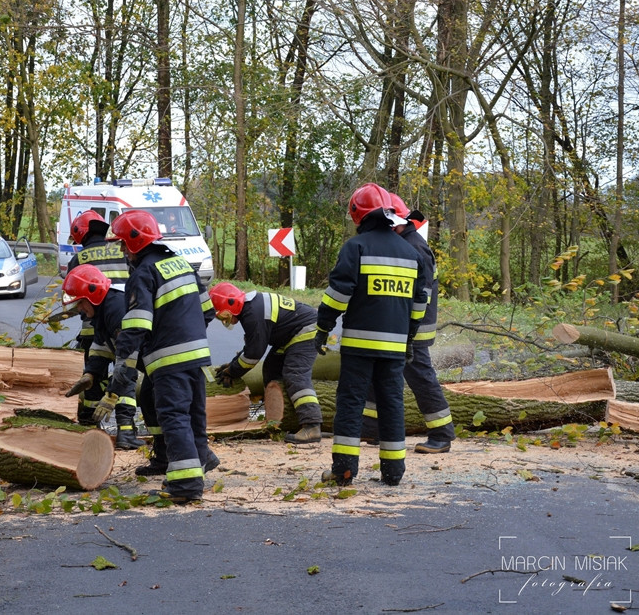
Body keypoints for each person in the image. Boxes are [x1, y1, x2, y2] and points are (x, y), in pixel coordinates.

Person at [314, 183, 428, 486]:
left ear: (357, 214)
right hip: (394, 348)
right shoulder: (409, 251)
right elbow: (419, 304)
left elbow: (338, 294)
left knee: (351, 404)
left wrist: (323, 327)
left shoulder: (357, 247)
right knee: (392, 404)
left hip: (358, 347)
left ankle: (345, 469)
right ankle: (393, 472)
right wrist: (410, 339)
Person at [107, 209, 217, 503]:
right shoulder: (181, 264)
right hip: (197, 355)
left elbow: (138, 324)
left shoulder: (143, 273)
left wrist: (123, 360)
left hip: (169, 361)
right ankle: (200, 462)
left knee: (174, 417)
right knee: (194, 416)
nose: (120, 250)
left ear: (133, 242)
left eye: (121, 244)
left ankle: (185, 486)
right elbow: (208, 310)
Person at [362, 194, 455, 454]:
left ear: (396, 221)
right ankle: (372, 429)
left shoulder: (415, 247)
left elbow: (419, 296)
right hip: (398, 323)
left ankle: (441, 434)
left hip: (414, 326)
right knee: (376, 370)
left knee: (420, 376)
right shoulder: (403, 243)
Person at [210, 283, 324, 444]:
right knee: (271, 368)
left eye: (223, 315)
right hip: (288, 335)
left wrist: (232, 371)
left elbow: (253, 355)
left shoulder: (252, 314)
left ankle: (312, 425)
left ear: (231, 304)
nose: (224, 319)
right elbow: (252, 345)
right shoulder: (250, 308)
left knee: (295, 374)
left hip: (306, 330)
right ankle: (281, 420)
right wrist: (233, 364)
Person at [64, 210, 136, 443]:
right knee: (110, 370)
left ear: (79, 234)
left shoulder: (80, 258)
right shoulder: (122, 250)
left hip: (106, 322)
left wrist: (112, 394)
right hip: (121, 316)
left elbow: (75, 295)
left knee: (119, 369)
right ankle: (122, 428)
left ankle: (90, 422)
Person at [61, 265, 144, 450]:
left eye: (81, 303)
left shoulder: (116, 308)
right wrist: (90, 374)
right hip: (139, 355)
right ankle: (127, 434)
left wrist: (112, 395)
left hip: (151, 355)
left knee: (130, 380)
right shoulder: (102, 310)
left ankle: (128, 433)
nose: (80, 310)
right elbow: (101, 348)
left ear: (93, 296)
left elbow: (127, 356)